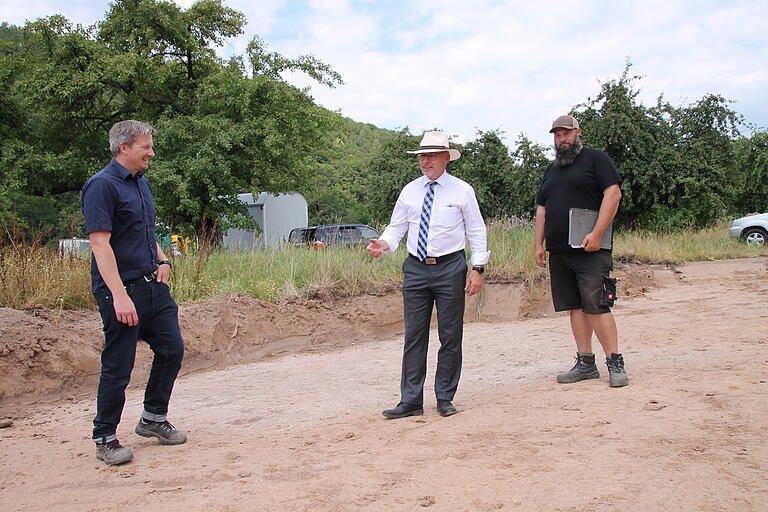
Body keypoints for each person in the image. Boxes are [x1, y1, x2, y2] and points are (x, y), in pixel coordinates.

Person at [81, 120, 187, 466]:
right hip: (121, 290)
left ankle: (153, 419)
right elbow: (100, 243)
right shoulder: (101, 186)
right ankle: (105, 436)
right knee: (119, 365)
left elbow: (143, 230)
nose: (151, 153)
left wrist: (163, 258)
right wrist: (119, 295)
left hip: (153, 286)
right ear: (124, 148)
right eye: (146, 147)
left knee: (172, 349)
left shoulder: (141, 184)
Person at [367, 131, 490, 418]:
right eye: (422, 155)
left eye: (432, 155)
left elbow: (476, 230)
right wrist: (383, 244)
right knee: (414, 335)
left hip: (450, 267)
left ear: (447, 158)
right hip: (416, 268)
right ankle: (410, 401)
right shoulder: (410, 190)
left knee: (450, 335)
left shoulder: (462, 191)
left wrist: (477, 268)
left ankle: (445, 397)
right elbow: (397, 226)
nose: (426, 160)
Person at [534, 114, 628, 387]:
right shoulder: (552, 169)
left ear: (578, 133)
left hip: (591, 249)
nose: (560, 138)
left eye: (565, 133)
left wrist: (597, 233)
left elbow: (613, 194)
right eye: (556, 134)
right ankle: (586, 363)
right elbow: (543, 208)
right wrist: (538, 244)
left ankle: (615, 362)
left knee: (597, 305)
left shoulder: (596, 159)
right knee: (574, 307)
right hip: (560, 251)